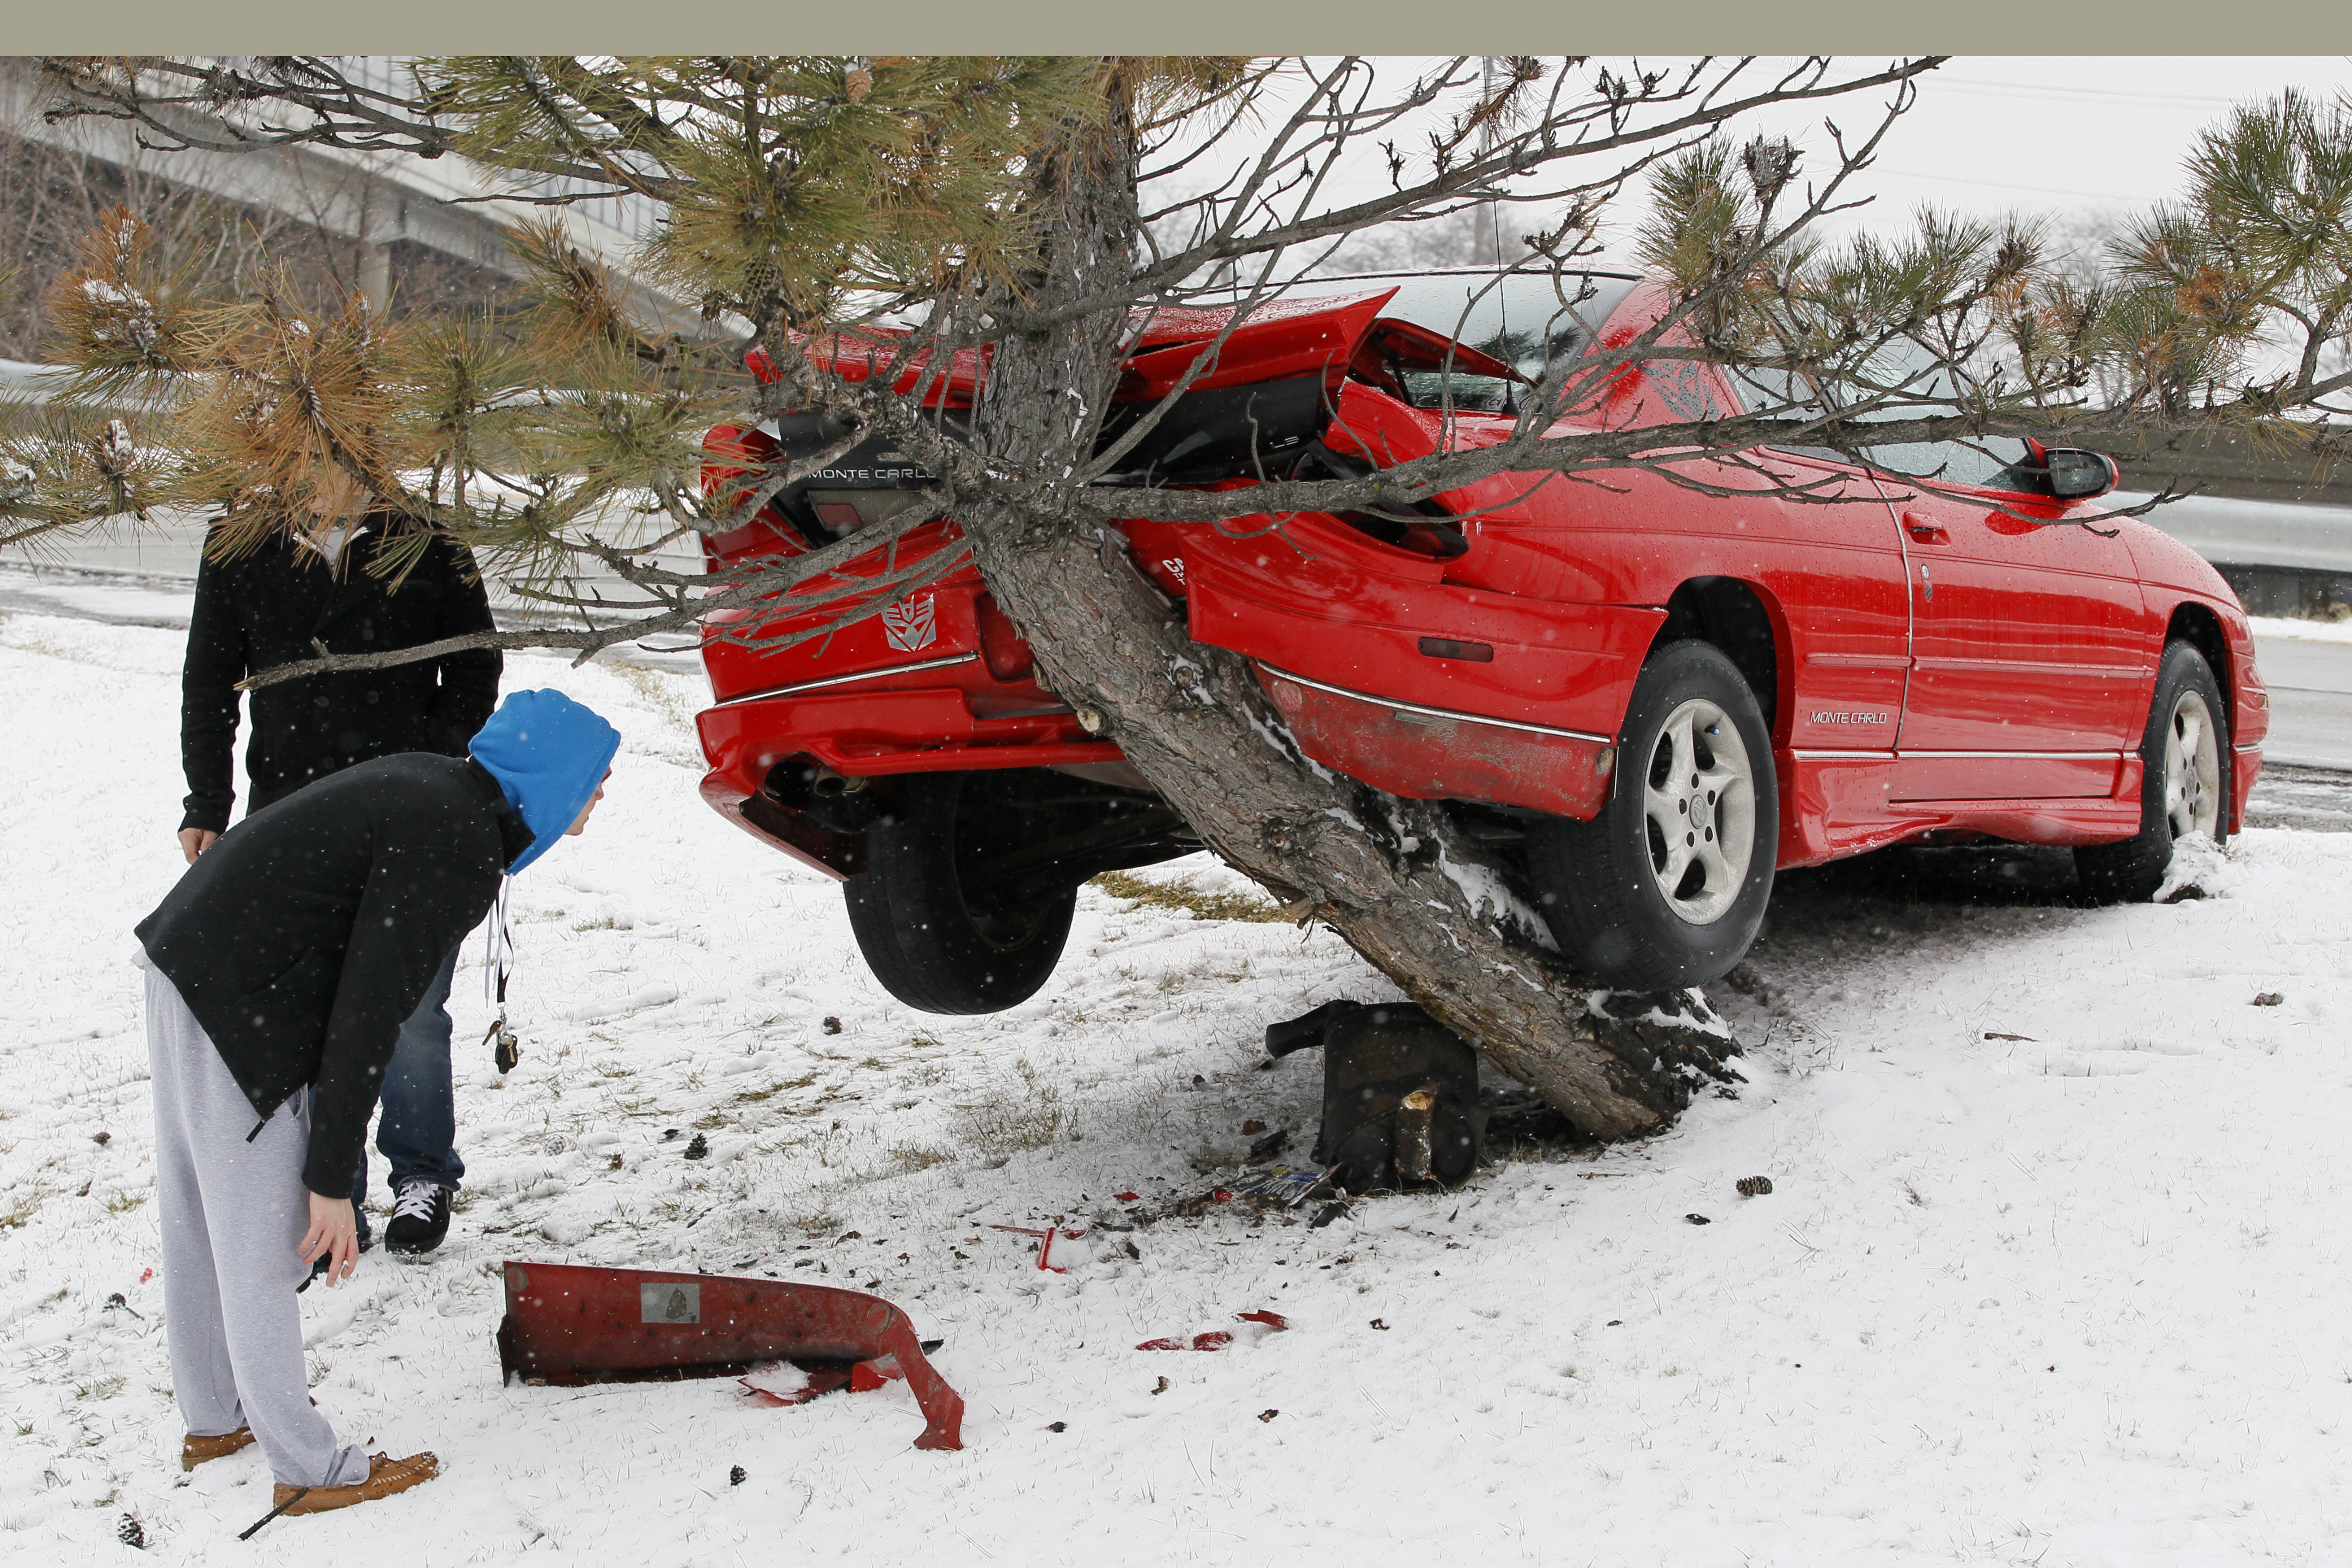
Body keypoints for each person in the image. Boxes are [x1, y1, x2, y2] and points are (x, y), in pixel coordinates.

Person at [138, 688, 620, 1517]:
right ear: (549, 778)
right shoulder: (456, 841)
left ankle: (216, 1419)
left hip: (191, 958)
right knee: (259, 1237)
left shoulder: (444, 794)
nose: (602, 795)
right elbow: (370, 1015)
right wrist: (332, 1179)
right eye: (595, 778)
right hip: (235, 988)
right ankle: (307, 1469)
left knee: (198, 1210)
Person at [177, 511, 501, 1254]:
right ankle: (335, 1192)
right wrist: (207, 799)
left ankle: (421, 1175)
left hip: (414, 818)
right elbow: (209, 676)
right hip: (291, 818)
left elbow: (478, 662)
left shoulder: (429, 536)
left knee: (413, 1011)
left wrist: (436, 758)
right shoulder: (240, 539)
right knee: (317, 1013)